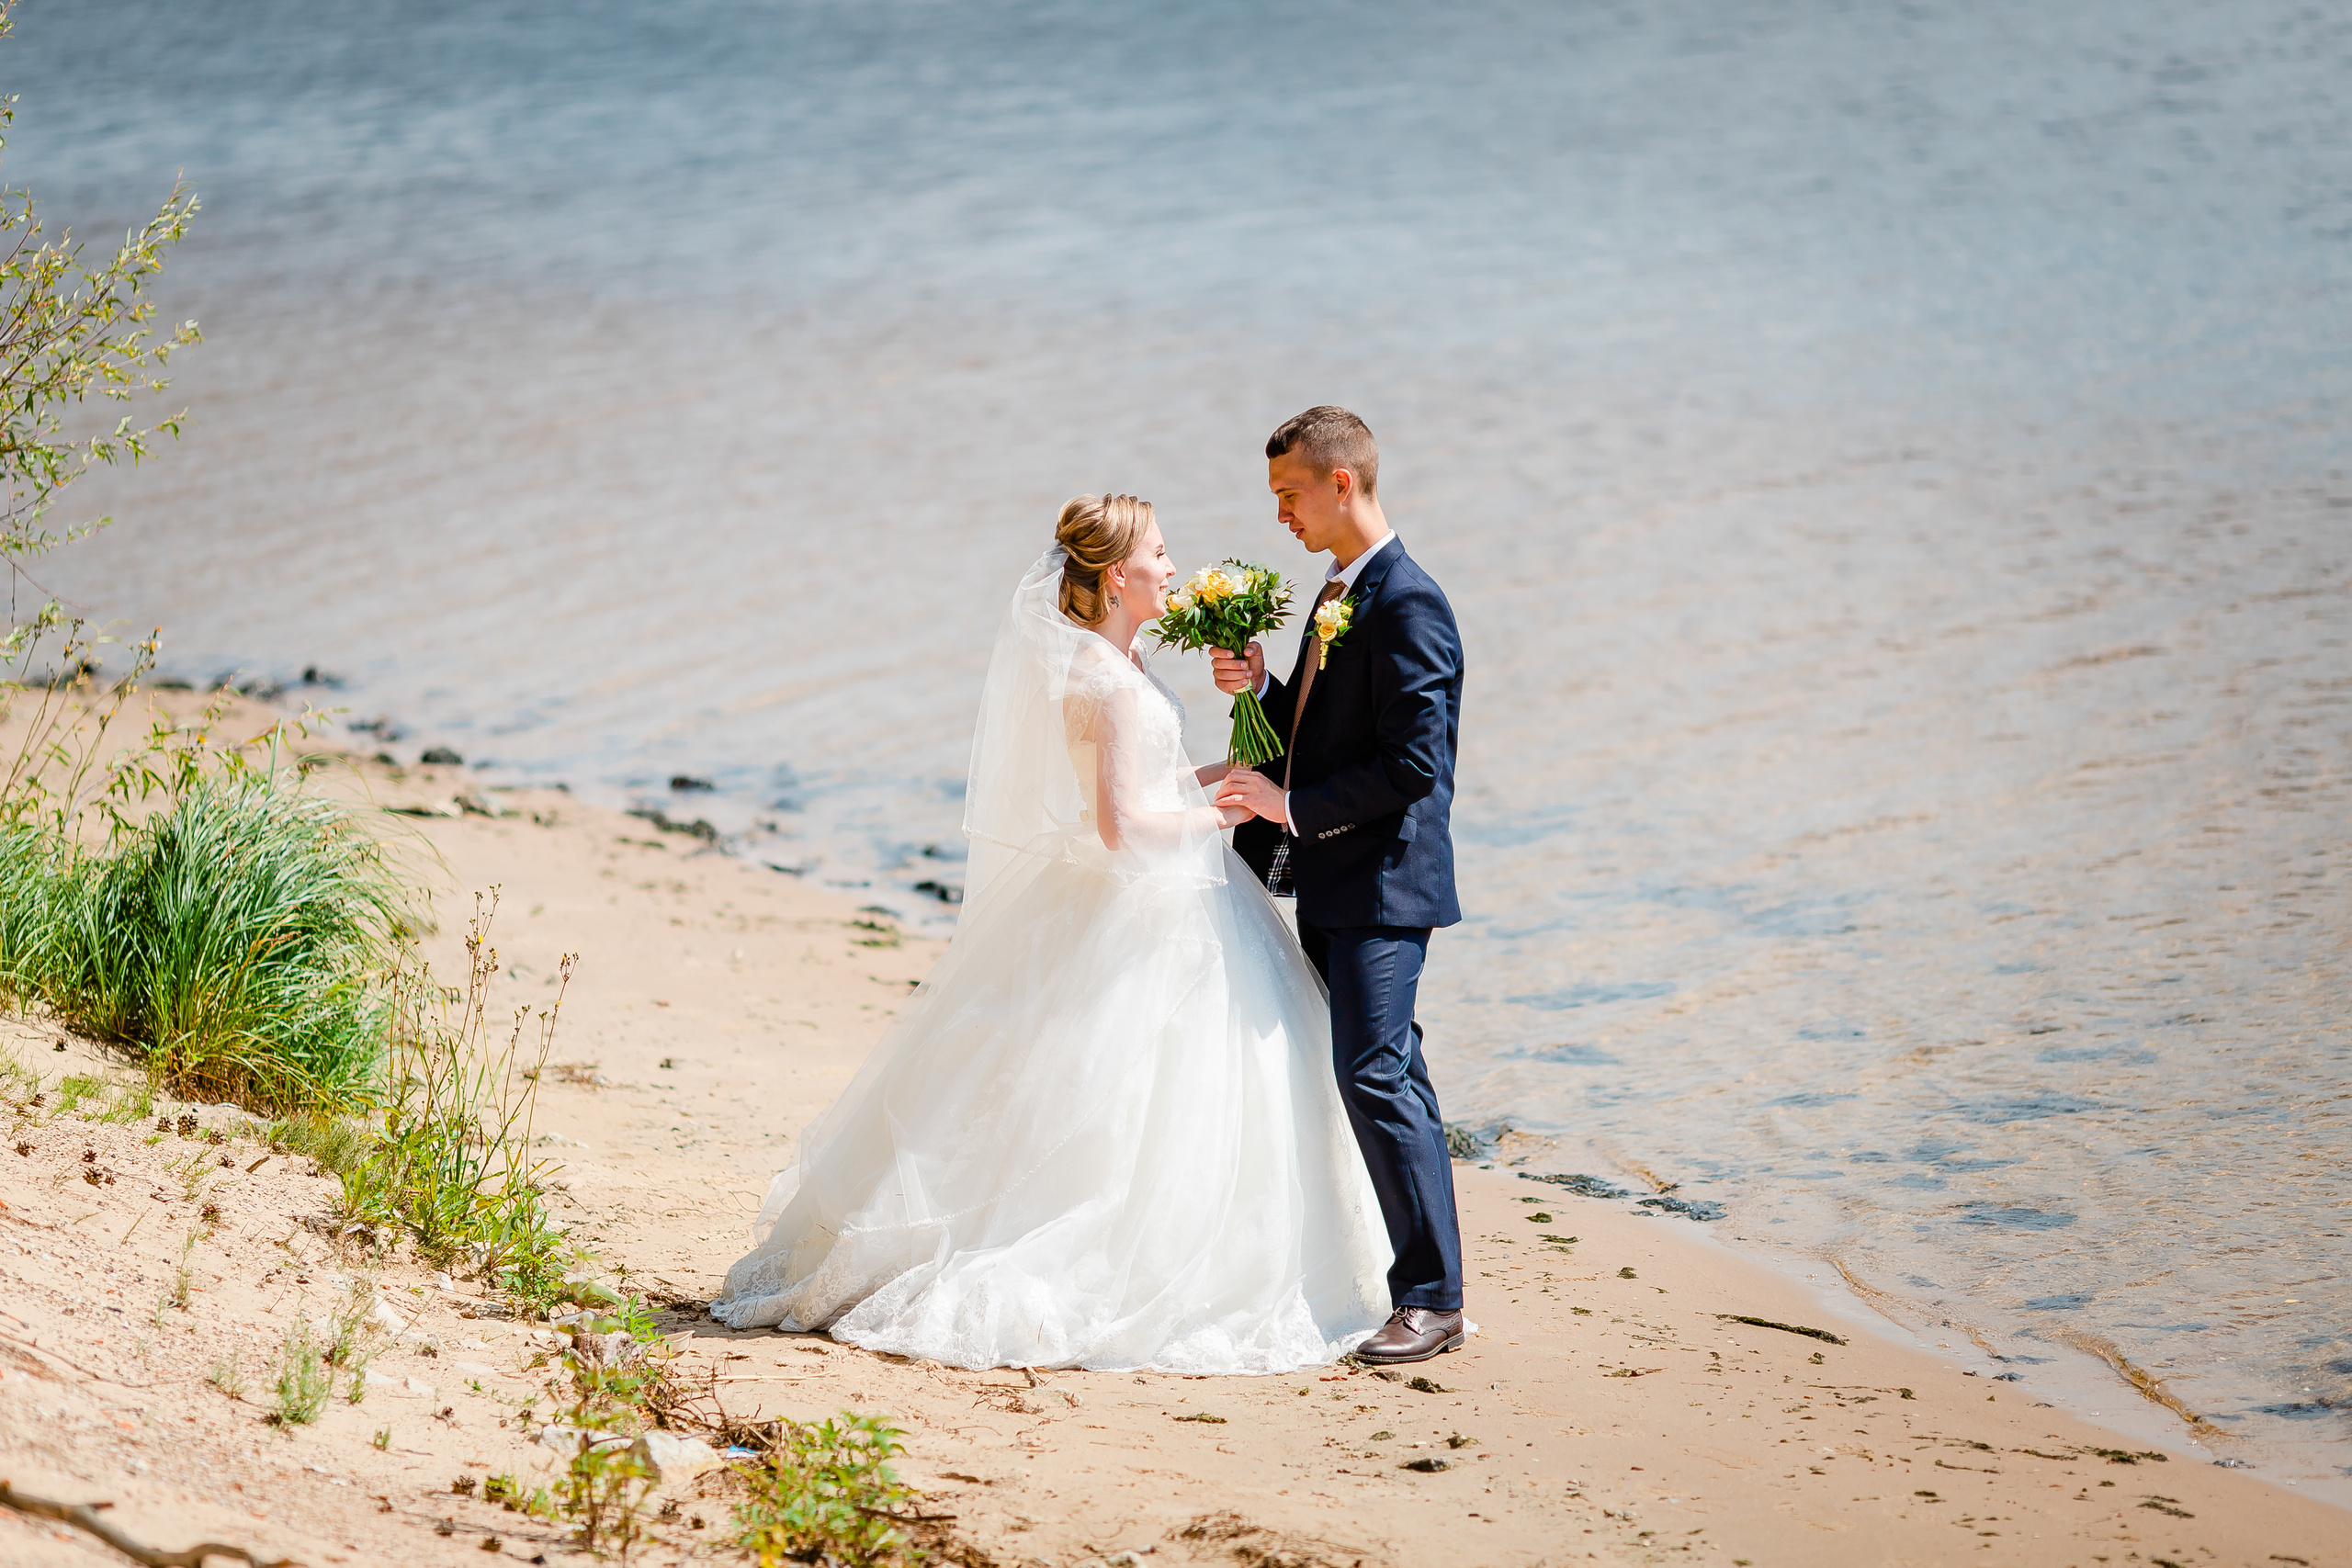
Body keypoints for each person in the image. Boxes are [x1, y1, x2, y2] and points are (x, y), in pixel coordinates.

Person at [709, 493, 1391, 1373]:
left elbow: (1156, 784)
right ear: (1118, 574)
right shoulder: (1098, 680)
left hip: (1182, 887)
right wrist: (1221, 819)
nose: (1174, 567)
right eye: (1159, 551)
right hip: (1146, 896)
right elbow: (1119, 828)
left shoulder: (1128, 659)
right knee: (1137, 1093)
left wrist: (1237, 774)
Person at [1213, 407, 1468, 1365]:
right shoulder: (1338, 590)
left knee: (1371, 1072)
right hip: (1336, 874)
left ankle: (1432, 1299)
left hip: (1387, 885)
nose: (1281, 515)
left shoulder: (1407, 602)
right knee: (1391, 1069)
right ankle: (1432, 1286)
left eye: (1290, 494)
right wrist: (1260, 692)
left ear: (1343, 484)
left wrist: (1286, 808)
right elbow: (1326, 742)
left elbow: (1412, 766)